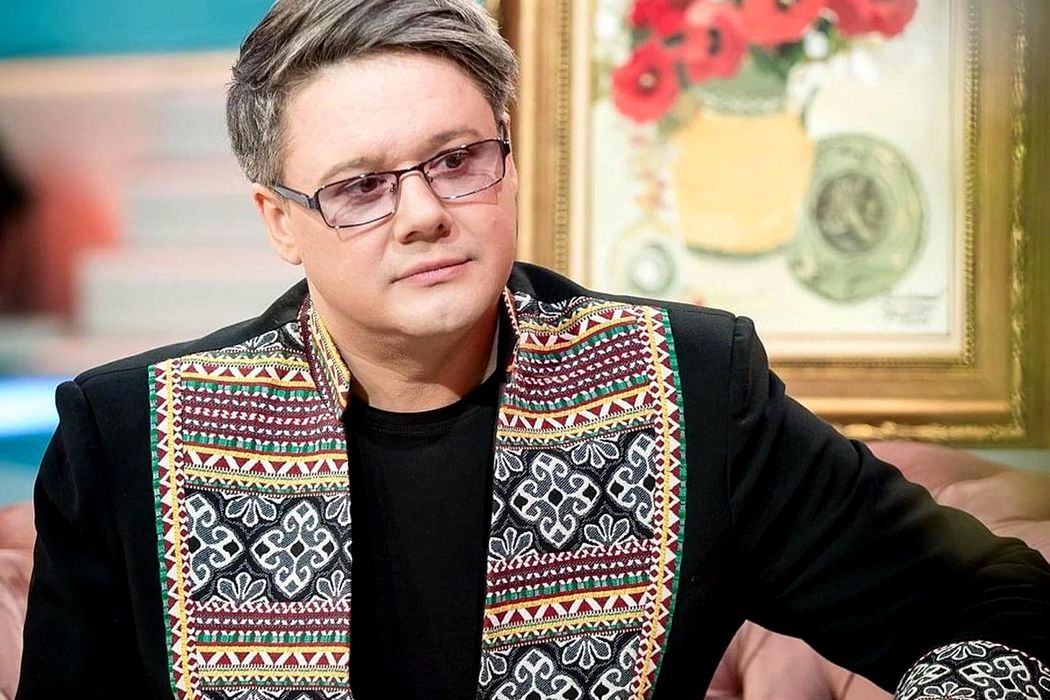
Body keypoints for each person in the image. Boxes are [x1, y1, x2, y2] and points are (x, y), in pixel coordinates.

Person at [16, 1, 1050, 698]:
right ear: (279, 220)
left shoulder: (689, 388)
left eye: (457, 159)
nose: (425, 213)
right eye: (361, 186)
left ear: (506, 163)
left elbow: (997, 603)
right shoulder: (130, 434)